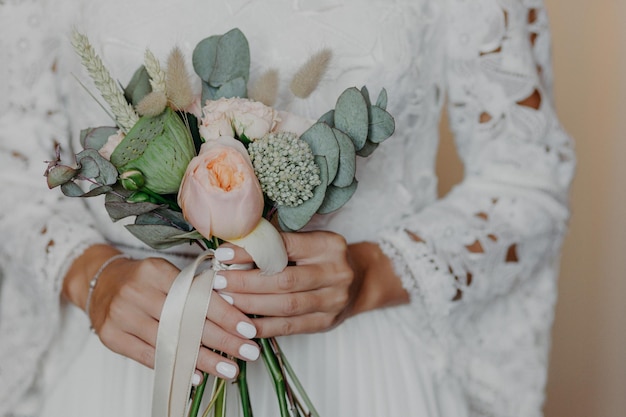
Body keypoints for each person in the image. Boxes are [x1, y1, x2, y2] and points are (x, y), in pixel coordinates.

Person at [0, 0, 575, 416]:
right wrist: (89, 274)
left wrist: (374, 272)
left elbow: (529, 180)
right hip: (130, 368)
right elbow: (15, 175)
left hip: (361, 374)